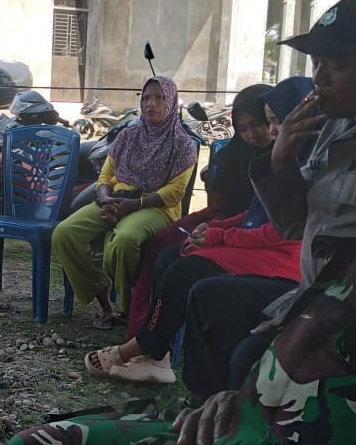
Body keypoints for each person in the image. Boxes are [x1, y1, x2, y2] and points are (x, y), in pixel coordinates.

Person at [10, 0, 356, 441]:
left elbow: (347, 300)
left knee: (185, 272)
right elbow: (314, 244)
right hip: (304, 322)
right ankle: (174, 373)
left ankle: (154, 356)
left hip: (306, 335)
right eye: (316, 62)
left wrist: (260, 385)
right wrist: (280, 164)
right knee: (161, 260)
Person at [179, 0, 356, 403]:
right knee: (211, 299)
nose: (318, 79)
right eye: (316, 64)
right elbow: (295, 224)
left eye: (335, 66)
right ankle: (202, 414)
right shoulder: (333, 126)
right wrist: (280, 161)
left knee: (251, 354)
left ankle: (240, 419)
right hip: (308, 293)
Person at [84, 83, 303, 384]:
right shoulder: (129, 136)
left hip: (276, 255)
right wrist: (215, 228)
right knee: (169, 254)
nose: (264, 132)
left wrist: (218, 235)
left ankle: (145, 345)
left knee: (184, 268)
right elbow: (252, 211)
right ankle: (156, 356)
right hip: (243, 233)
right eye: (249, 127)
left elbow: (279, 232)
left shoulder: (299, 164)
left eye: (271, 123)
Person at [125, 83, 275, 337]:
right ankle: (141, 325)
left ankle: (155, 337)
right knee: (160, 242)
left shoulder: (284, 157)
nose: (252, 135)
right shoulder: (234, 154)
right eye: (243, 129)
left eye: (258, 124)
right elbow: (222, 203)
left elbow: (264, 217)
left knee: (175, 258)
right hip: (225, 216)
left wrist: (218, 231)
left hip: (251, 230)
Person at [52, 76, 197, 330]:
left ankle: (130, 310)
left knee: (124, 241)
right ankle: (103, 297)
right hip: (115, 199)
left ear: (171, 101)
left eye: (159, 98)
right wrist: (106, 197)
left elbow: (175, 192)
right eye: (145, 98)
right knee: (64, 234)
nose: (151, 104)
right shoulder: (127, 136)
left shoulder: (182, 144)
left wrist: (134, 205)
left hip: (155, 207)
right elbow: (106, 175)